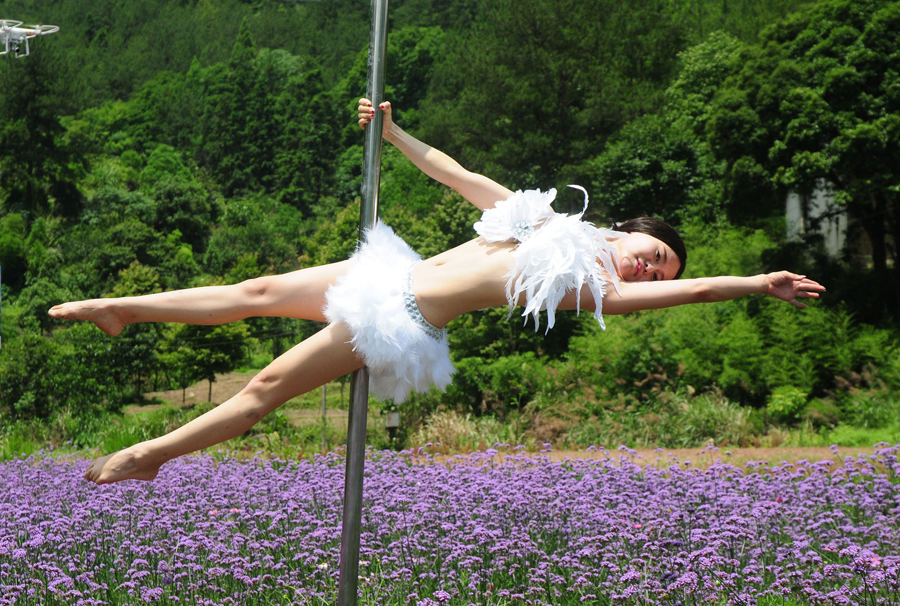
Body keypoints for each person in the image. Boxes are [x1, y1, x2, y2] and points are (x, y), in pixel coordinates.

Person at [49, 99, 825, 485]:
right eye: (655, 256)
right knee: (255, 287)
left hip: (402, 315)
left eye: (660, 273)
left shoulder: (591, 290)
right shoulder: (545, 221)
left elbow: (697, 294)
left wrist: (757, 283)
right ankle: (120, 309)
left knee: (264, 388)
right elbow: (461, 176)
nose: (653, 271)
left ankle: (151, 454)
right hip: (389, 272)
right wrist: (393, 134)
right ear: (629, 231)